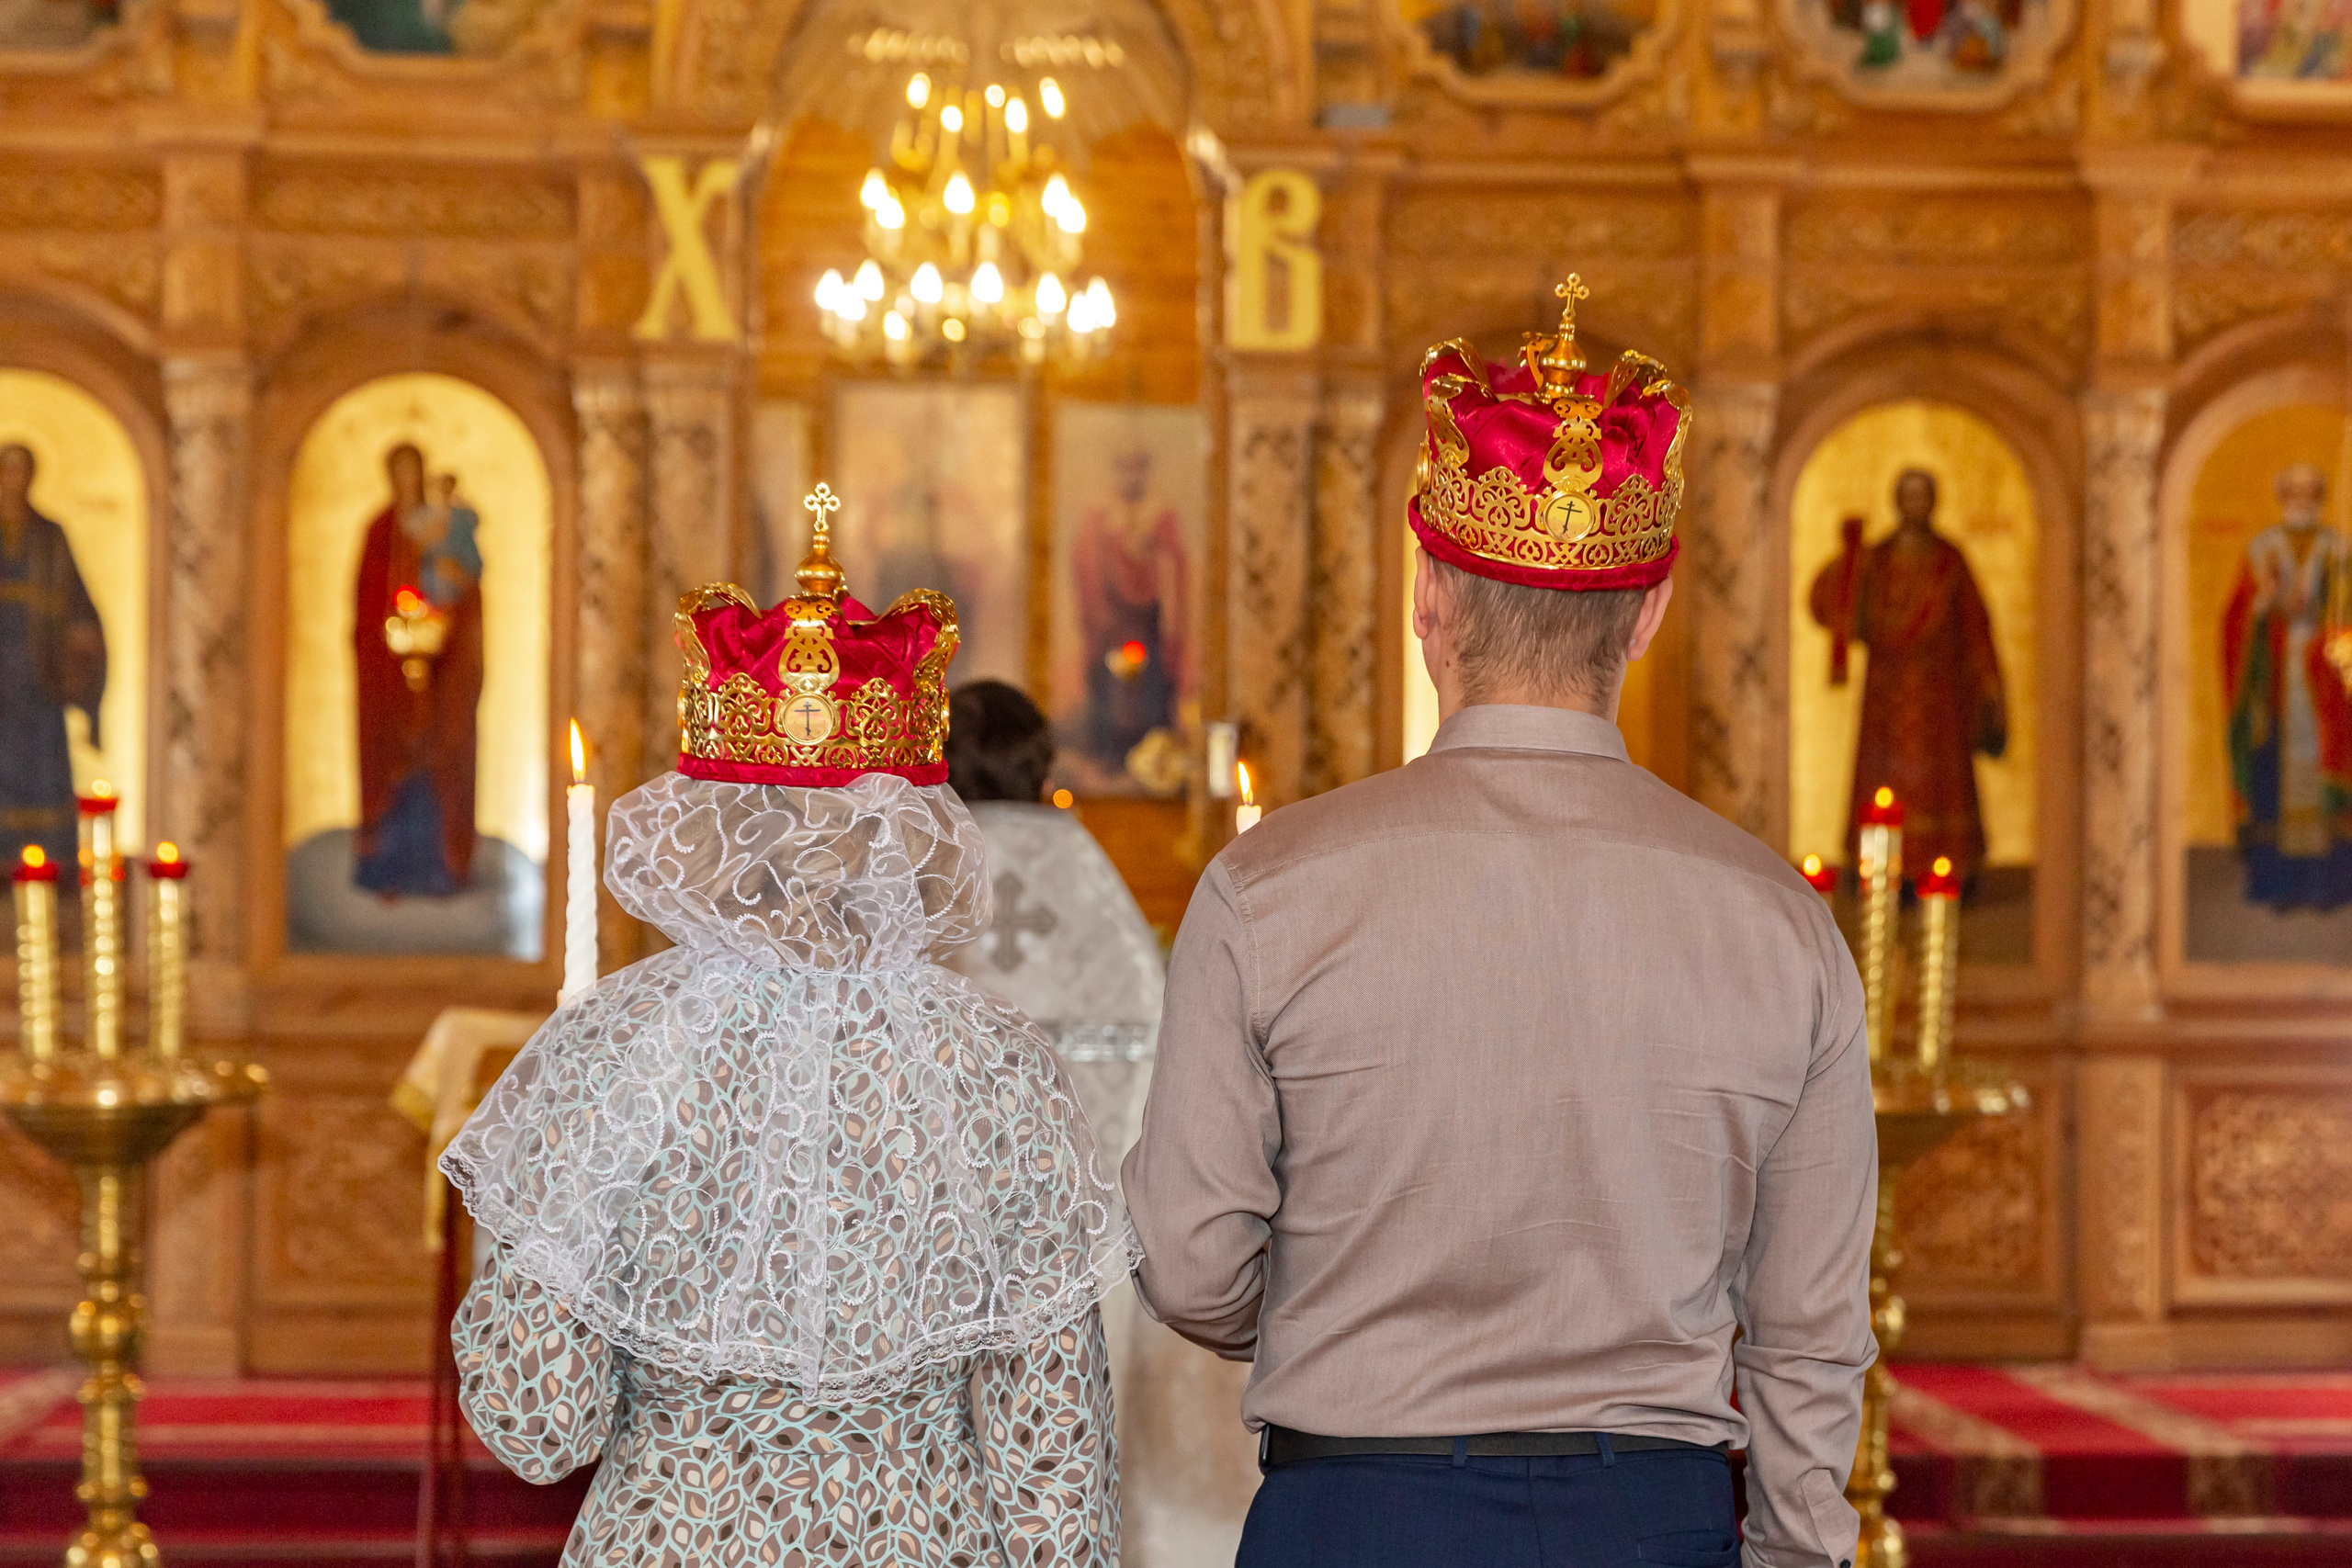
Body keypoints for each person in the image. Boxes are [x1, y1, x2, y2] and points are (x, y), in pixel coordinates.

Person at [1125, 278, 1877, 1568]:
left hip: (1353, 1516)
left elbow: (1192, 1264)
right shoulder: (1779, 920)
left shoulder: (1271, 890)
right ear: (1649, 611)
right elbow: (1807, 1330)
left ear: (1428, 596)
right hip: (1655, 1519)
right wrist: (1799, 1556)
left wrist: (1340, 1305)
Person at [442, 502, 1132, 1566]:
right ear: (907, 834)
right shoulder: (1000, 1069)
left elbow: (540, 1423)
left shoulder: (616, 1052)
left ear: (710, 826)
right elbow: (1053, 1464)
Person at [1808, 468, 2007, 881]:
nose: (1915, 504)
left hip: (1940, 695)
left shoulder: (1949, 561)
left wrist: (1989, 687)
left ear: (1933, 502)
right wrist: (1847, 567)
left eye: (1922, 496)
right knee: (1883, 778)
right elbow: (1834, 605)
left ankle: (1947, 865)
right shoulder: (1874, 559)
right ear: (1896, 501)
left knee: (1941, 784)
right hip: (1888, 692)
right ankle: (1880, 867)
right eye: (1907, 496)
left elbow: (1974, 627)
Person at [354, 442, 484, 897]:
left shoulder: (444, 527)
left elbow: (465, 586)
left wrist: (442, 615)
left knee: (440, 756)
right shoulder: (381, 529)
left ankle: (442, 864)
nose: (407, 483)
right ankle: (384, 866)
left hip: (442, 672)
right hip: (387, 677)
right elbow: (367, 600)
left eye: (414, 474)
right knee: (390, 757)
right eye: (399, 474)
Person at [2221, 462, 2352, 908]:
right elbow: (2235, 618)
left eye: (2309, 493)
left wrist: (2328, 630)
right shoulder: (2261, 549)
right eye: (2292, 493)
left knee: (2324, 788)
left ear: (2319, 496)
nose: (2301, 500)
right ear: (2282, 498)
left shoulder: (2339, 550)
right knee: (2273, 782)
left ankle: (2327, 889)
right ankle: (2278, 888)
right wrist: (2262, 606)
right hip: (2275, 684)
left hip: (2325, 684)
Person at [0, 443, 105, 876]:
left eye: (21, 471)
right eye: (7, 471)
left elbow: (77, 602)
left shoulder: (50, 534)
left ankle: (47, 866)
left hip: (36, 670)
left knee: (40, 766)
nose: (14, 479)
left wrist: (82, 635)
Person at [1072, 443, 1189, 784]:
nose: (1130, 478)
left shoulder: (1161, 515)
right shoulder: (1100, 516)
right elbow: (1084, 562)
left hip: (1148, 618)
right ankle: (1112, 752)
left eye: (1136, 469)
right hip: (1114, 621)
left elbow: (1176, 565)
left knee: (1150, 686)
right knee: (1112, 687)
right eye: (1124, 469)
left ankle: (1151, 750)